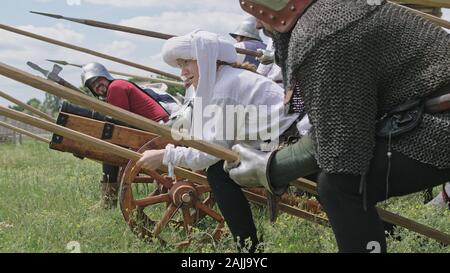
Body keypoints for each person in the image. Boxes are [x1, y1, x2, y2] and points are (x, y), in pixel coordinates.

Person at [228, 0, 450, 253]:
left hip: (440, 123)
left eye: (257, 11)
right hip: (428, 115)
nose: (257, 23)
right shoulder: (334, 12)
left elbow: (340, 144)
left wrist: (270, 167)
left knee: (339, 184)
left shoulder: (322, 30)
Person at [135, 30, 299, 252]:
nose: (182, 72)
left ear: (205, 59)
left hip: (290, 141)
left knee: (218, 172)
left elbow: (213, 152)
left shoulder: (225, 87)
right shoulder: (222, 80)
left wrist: (166, 155)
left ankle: (248, 249)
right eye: (179, 65)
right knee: (219, 171)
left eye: (186, 63)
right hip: (271, 140)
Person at [81, 63, 170, 209]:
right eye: (92, 84)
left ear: (105, 76)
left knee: (109, 150)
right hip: (154, 130)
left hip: (156, 133)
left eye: (98, 80)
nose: (96, 85)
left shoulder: (116, 88)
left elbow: (119, 124)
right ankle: (108, 198)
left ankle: (108, 200)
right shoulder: (117, 86)